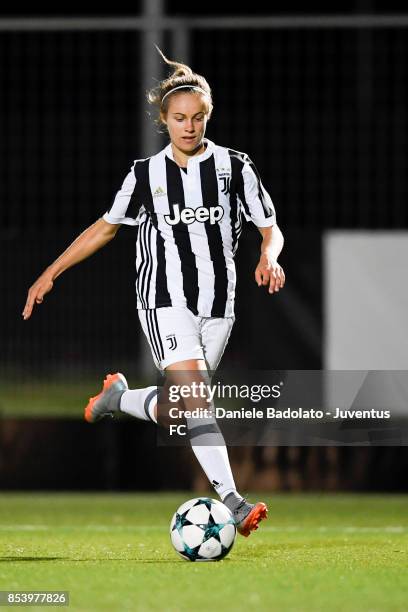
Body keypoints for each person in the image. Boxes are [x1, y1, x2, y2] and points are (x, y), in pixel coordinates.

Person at [22, 49, 285, 537]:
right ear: (164, 120)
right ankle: (232, 499)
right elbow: (104, 229)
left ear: (208, 116)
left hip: (219, 301)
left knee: (183, 406)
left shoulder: (235, 168)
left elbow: (269, 226)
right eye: (179, 118)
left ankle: (119, 399)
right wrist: (51, 271)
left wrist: (269, 255)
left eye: (197, 118)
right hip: (164, 297)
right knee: (197, 400)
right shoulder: (145, 174)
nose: (189, 127)